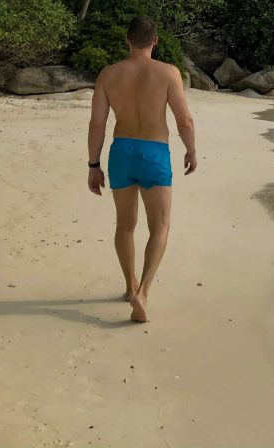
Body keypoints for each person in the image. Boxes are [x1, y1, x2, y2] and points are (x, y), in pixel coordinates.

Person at [86, 16, 198, 322]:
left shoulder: (108, 74)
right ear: (155, 41)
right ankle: (143, 292)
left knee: (124, 225)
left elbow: (97, 123)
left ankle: (129, 284)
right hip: (154, 152)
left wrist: (93, 165)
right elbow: (184, 120)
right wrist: (191, 149)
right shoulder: (168, 73)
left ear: (127, 40)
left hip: (121, 151)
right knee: (160, 226)